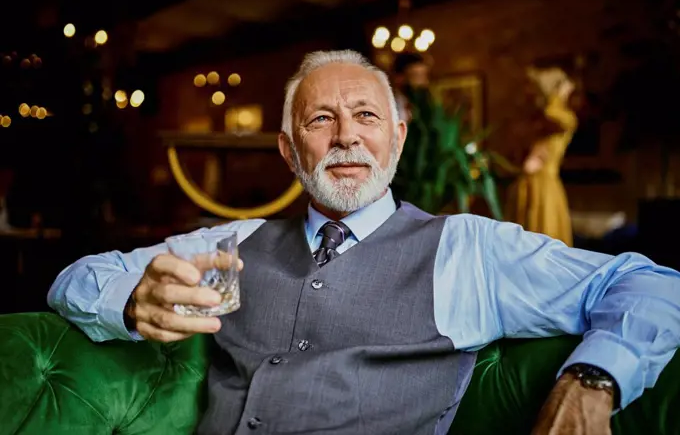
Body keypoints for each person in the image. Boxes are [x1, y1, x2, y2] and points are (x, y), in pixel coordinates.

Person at [48, 50, 680, 435]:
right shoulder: (233, 245)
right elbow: (75, 279)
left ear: (397, 141)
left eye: (367, 116)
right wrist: (133, 299)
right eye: (321, 119)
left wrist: (594, 379)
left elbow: (652, 284)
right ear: (290, 150)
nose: (346, 136)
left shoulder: (467, 252)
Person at [505, 66, 578, 246]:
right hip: (526, 185)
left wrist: (555, 94)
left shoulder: (563, 118)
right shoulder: (535, 120)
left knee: (545, 240)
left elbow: (555, 116)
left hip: (545, 190)